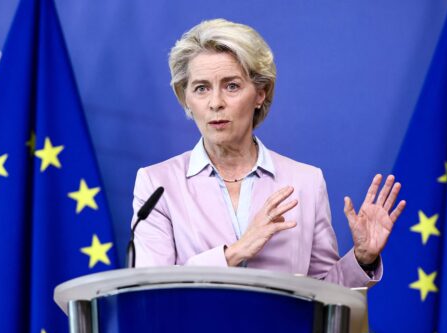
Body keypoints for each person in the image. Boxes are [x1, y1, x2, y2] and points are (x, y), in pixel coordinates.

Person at [131, 19, 405, 288]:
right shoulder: (157, 184)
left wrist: (362, 259)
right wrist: (234, 253)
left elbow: (325, 296)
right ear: (186, 98)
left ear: (260, 93)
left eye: (232, 86)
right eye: (201, 88)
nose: (216, 103)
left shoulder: (305, 182)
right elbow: (153, 290)